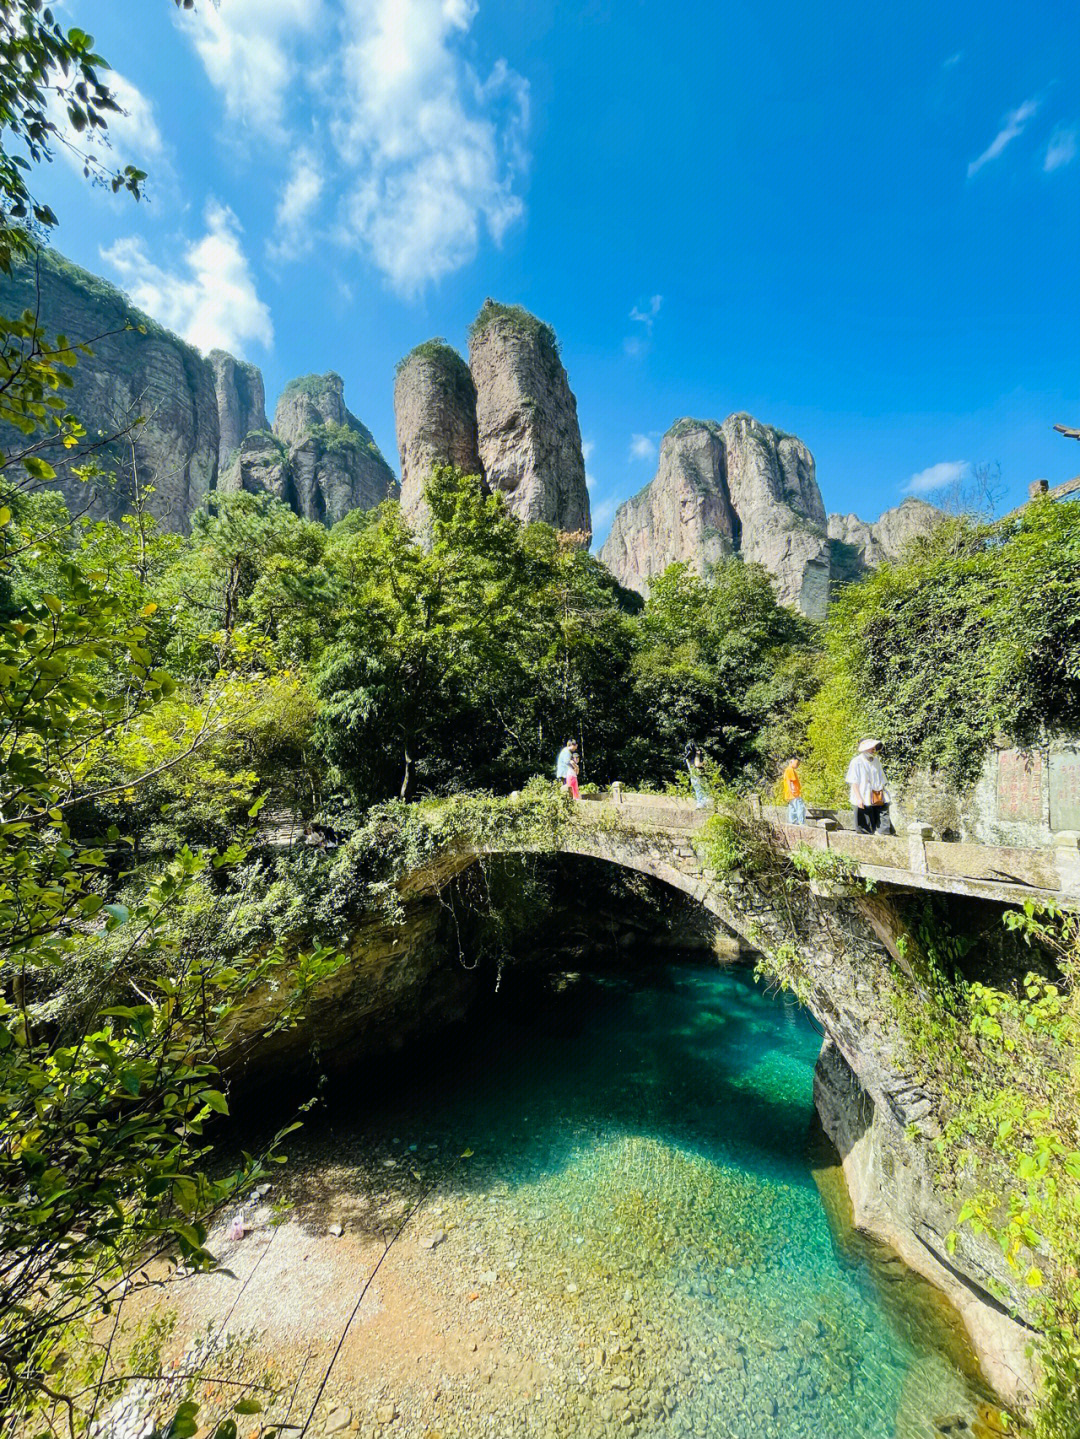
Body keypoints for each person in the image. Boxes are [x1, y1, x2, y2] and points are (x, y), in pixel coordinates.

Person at [845, 738, 889, 834]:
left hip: (877, 795)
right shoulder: (856, 761)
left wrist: (882, 792)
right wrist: (859, 798)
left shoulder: (876, 761)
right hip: (862, 794)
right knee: (864, 826)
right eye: (872, 749)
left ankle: (884, 835)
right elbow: (853, 781)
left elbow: (881, 777)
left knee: (883, 822)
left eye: (874, 749)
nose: (874, 751)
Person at [682, 741, 710, 808]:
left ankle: (699, 806)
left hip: (693, 777)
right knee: (704, 792)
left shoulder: (687, 758)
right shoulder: (696, 756)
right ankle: (702, 807)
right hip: (698, 777)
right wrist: (704, 762)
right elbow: (697, 764)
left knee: (698, 792)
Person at [782, 755, 805, 825]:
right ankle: (801, 823)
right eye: (797, 763)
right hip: (793, 793)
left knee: (792, 809)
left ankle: (793, 823)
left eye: (798, 764)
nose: (798, 765)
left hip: (789, 794)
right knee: (800, 808)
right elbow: (790, 781)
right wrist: (793, 790)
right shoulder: (790, 770)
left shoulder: (787, 770)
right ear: (791, 761)